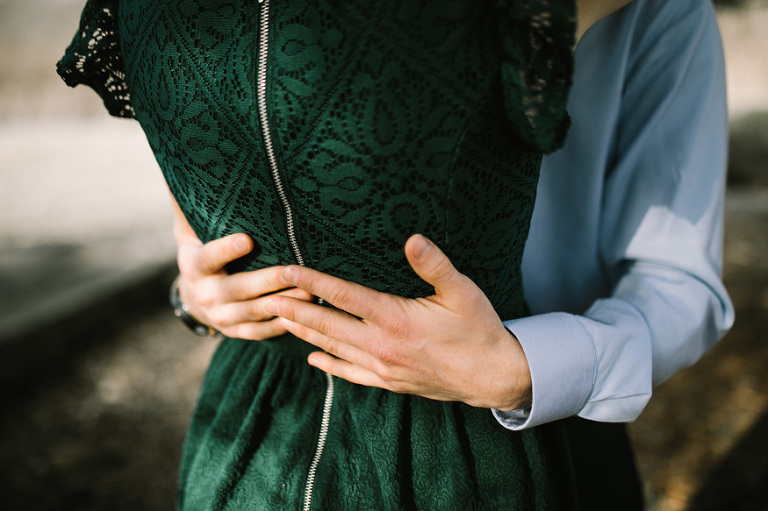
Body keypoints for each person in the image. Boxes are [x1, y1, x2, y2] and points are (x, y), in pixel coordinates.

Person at [59, 0, 680, 509]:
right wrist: (195, 291)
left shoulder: (646, 18)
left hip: (510, 426)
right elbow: (205, 194)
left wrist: (523, 372)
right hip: (252, 427)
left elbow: (682, 284)